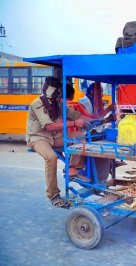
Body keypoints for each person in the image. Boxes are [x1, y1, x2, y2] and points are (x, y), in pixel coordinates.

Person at [26, 77, 89, 208]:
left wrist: (102, 117)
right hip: (38, 137)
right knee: (51, 157)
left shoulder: (57, 104)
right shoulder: (37, 103)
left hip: (54, 137)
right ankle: (53, 195)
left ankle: (73, 169)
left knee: (81, 136)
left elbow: (77, 116)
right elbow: (48, 127)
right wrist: (74, 123)